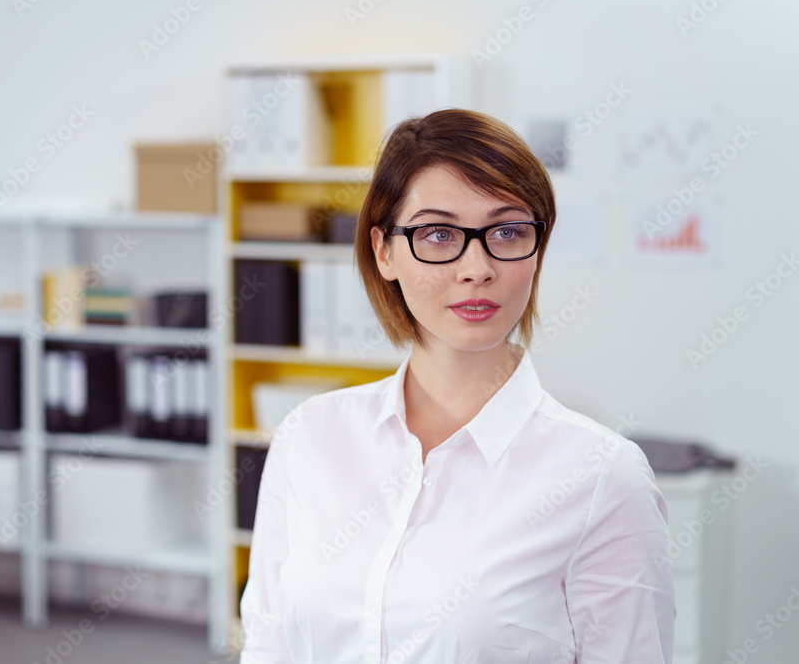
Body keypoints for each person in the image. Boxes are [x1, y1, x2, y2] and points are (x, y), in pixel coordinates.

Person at [238, 108, 676, 663]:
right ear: (384, 251)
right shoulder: (310, 436)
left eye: (507, 231)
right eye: (439, 234)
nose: (477, 266)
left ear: (536, 250)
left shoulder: (602, 478)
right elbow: (269, 642)